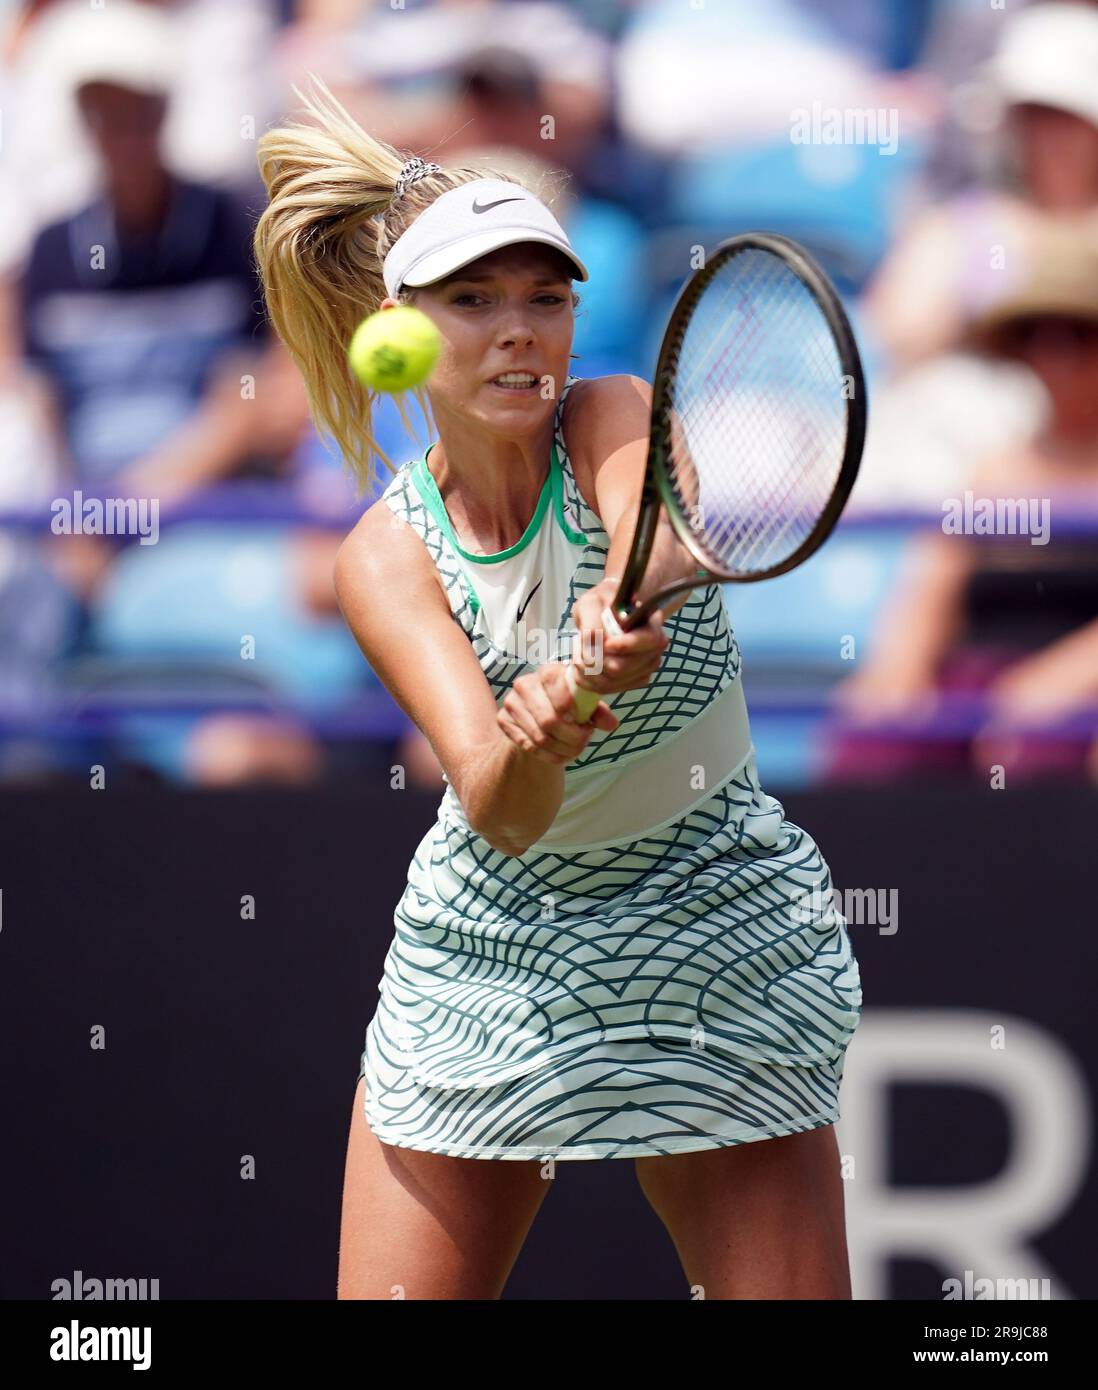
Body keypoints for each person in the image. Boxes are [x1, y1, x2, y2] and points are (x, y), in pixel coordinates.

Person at [253, 79, 863, 1300]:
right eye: (474, 300)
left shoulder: (613, 411)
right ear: (401, 328)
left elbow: (656, 531)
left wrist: (625, 609)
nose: (519, 330)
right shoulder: (385, 556)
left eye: (546, 296)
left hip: (713, 916)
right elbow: (501, 804)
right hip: (493, 950)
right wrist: (537, 735)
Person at [829, 220, 1098, 783]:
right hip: (978, 688)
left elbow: (1043, 700)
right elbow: (931, 587)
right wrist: (899, 672)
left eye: (1078, 335)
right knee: (871, 747)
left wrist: (1062, 681)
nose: (1055, 355)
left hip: (1069, 708)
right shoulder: (992, 468)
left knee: (1040, 754)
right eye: (1037, 334)